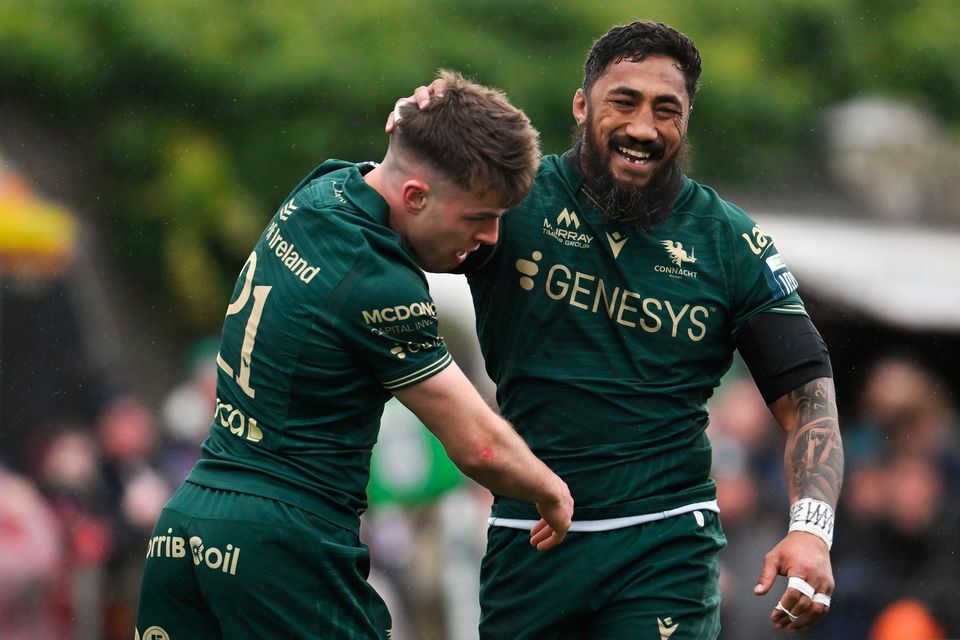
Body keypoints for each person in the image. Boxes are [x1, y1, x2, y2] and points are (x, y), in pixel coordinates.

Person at [392, 21, 844, 639]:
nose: (643, 128)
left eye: (667, 110)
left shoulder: (730, 242)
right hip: (531, 537)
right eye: (623, 102)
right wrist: (422, 134)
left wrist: (812, 530)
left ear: (686, 121)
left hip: (664, 542)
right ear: (582, 105)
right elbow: (395, 213)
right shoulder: (515, 198)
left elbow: (810, 397)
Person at [134, 69, 573, 640]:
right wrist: (551, 490)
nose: (490, 237)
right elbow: (479, 443)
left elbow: (399, 158)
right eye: (477, 217)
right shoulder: (380, 282)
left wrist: (421, 117)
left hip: (187, 526)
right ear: (416, 196)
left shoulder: (321, 190)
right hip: (283, 543)